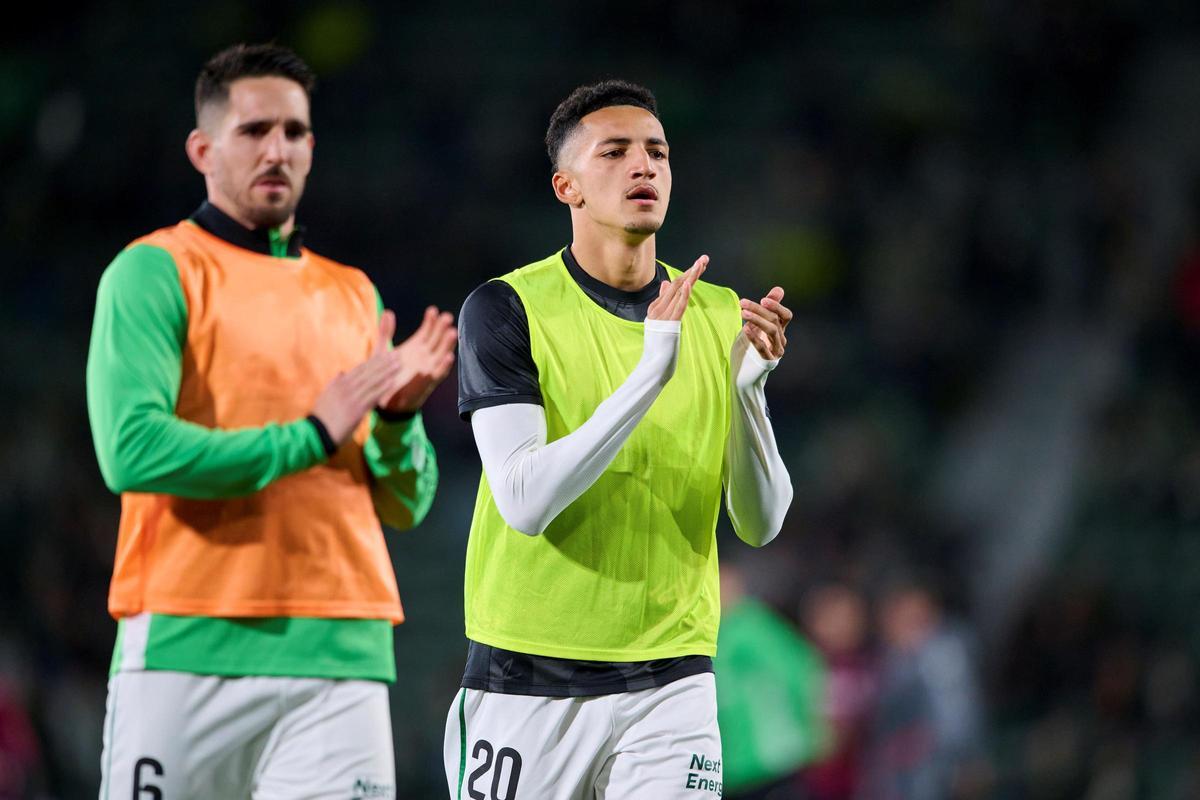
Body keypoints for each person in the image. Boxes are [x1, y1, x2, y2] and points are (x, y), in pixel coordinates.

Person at [86, 43, 456, 799]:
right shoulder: (154, 271)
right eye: (254, 131)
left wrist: (393, 420)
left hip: (342, 655)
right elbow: (131, 450)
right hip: (188, 641)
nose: (277, 149)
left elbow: (407, 503)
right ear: (203, 148)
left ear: (312, 148)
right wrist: (310, 435)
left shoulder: (353, 294)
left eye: (293, 132)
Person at [443, 79, 794, 800]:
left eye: (657, 152)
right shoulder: (506, 309)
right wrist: (650, 371)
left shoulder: (720, 314)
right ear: (565, 186)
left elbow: (760, 525)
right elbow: (523, 501)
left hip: (673, 683)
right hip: (528, 682)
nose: (645, 166)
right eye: (617, 152)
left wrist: (748, 394)